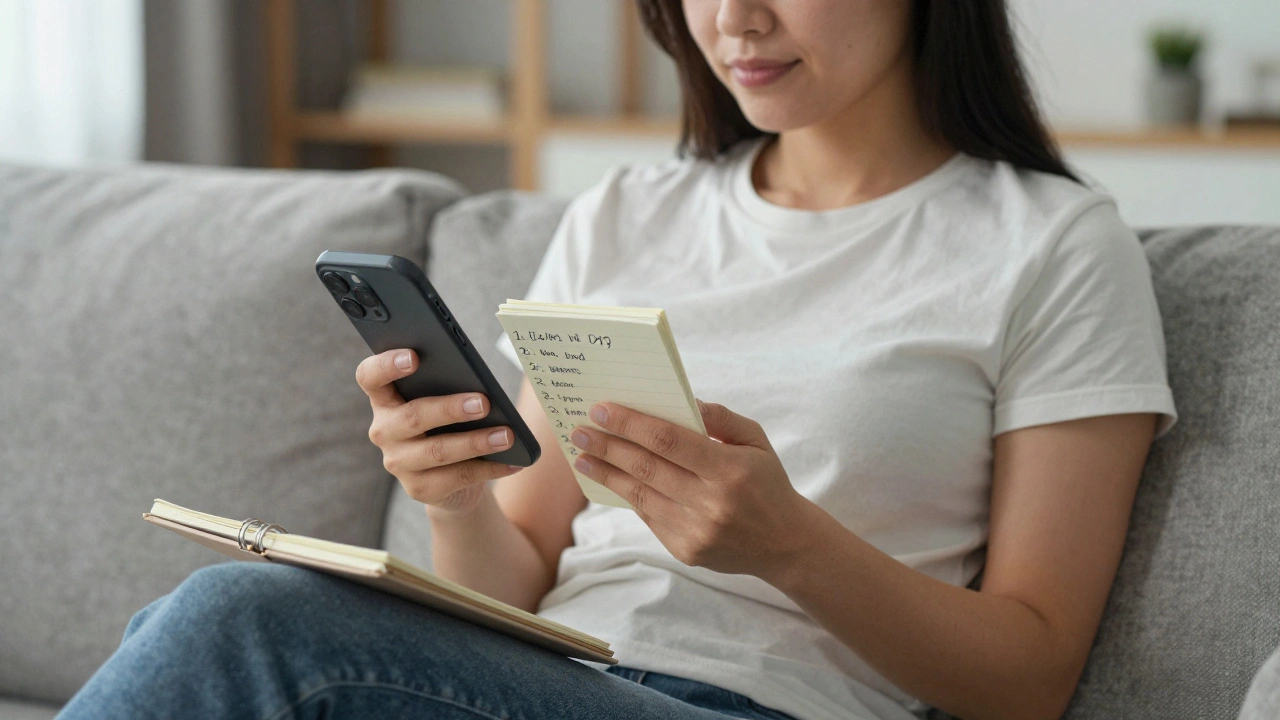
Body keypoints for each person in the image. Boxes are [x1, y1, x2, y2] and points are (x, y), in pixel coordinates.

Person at [59, 1, 1177, 719]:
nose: (733, 20)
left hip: (755, 711)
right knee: (195, 629)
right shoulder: (629, 216)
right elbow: (517, 576)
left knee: (235, 626)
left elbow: (1028, 676)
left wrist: (788, 547)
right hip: (547, 681)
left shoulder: (1048, 245)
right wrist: (451, 498)